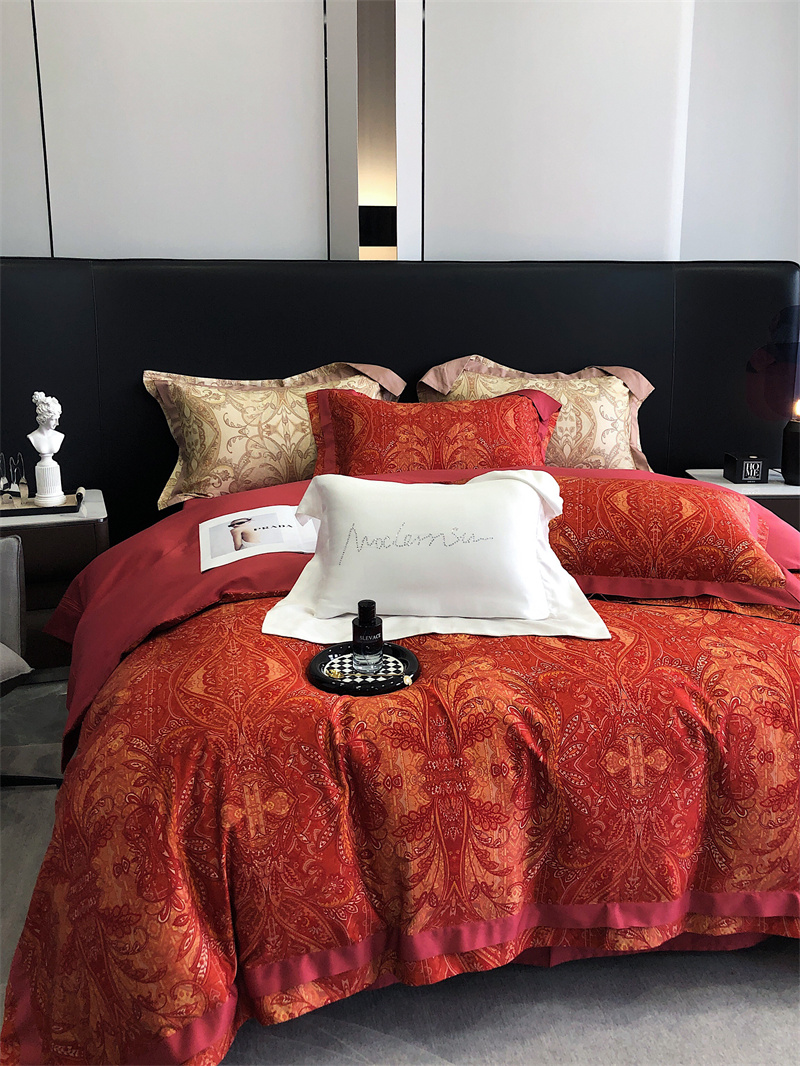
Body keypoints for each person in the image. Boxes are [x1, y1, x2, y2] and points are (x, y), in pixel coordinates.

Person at [27, 392, 64, 457]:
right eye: (53, 419)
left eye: (58, 419)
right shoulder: (32, 437)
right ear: (44, 418)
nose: (57, 423)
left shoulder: (59, 436)